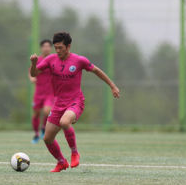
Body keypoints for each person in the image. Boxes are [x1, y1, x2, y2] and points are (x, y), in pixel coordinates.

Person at [30, 32, 120, 172]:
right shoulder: (50, 59)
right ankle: (61, 162)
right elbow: (34, 74)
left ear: (68, 46)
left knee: (65, 122)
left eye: (61, 47)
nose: (58, 51)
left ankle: (74, 152)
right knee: (47, 138)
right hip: (58, 103)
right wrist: (34, 63)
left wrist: (112, 86)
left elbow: (97, 71)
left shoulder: (79, 60)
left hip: (75, 101)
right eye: (56, 48)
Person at [29, 39, 54, 144]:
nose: (46, 48)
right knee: (36, 114)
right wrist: (31, 78)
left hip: (50, 92)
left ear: (51, 48)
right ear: (41, 48)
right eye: (44, 46)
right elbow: (31, 71)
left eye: (48, 46)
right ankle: (36, 134)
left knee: (47, 111)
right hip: (39, 92)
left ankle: (44, 128)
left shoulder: (54, 60)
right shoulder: (37, 60)